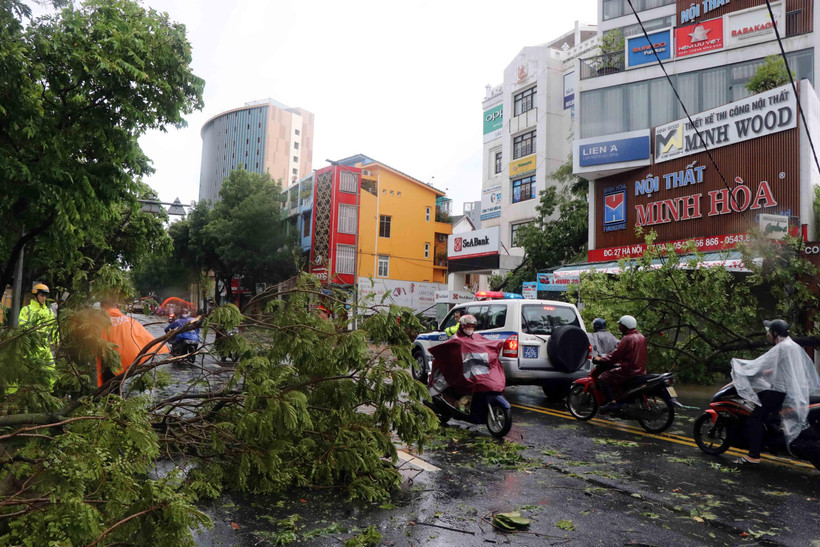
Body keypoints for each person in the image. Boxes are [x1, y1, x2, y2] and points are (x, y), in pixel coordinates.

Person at [730, 319, 820, 466]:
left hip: (779, 391)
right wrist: (765, 373)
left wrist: (740, 368)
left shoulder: (781, 348)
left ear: (775, 333)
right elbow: (778, 367)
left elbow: (760, 363)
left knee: (756, 417)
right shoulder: (792, 346)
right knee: (763, 409)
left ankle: (753, 456)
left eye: (769, 331)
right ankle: (768, 440)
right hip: (788, 390)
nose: (767, 334)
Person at [98, 298, 169, 387]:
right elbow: (143, 336)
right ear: (114, 306)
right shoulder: (128, 320)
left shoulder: (98, 323)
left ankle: (110, 398)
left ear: (102, 307)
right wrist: (160, 347)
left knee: (108, 385)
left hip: (107, 360)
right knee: (117, 384)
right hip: (123, 359)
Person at [592, 315, 647, 411]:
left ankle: (612, 403)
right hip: (641, 370)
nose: (619, 327)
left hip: (628, 371)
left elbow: (615, 355)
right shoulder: (641, 337)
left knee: (602, 377)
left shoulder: (627, 339)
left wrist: (601, 359)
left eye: (620, 325)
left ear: (624, 326)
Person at [15, 283, 59, 390]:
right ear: (35, 295)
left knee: (51, 369)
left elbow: (53, 327)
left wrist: (56, 340)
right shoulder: (27, 310)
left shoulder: (48, 311)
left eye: (45, 295)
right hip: (30, 346)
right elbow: (22, 326)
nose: (44, 298)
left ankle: (46, 394)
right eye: (42, 295)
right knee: (27, 371)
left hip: (44, 347)